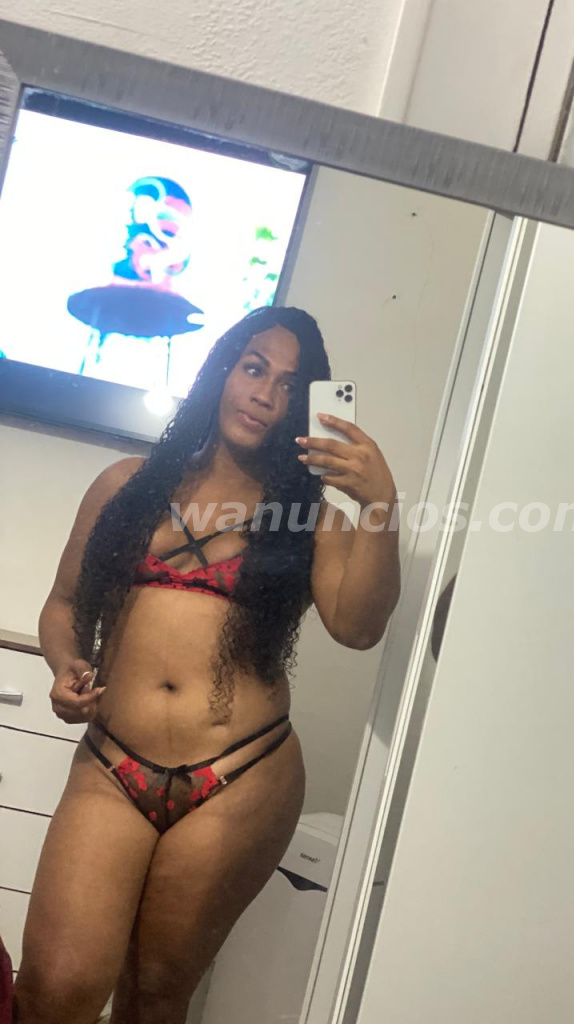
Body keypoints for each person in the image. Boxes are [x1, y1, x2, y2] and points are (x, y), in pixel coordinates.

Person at [14, 307, 401, 1024]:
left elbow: (358, 628)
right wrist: (65, 664)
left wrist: (379, 504)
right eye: (254, 368)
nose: (265, 394)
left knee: (156, 996)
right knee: (53, 989)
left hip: (241, 779)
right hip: (111, 766)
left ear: (303, 409)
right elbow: (64, 605)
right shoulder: (125, 486)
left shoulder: (314, 522)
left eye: (289, 386)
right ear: (222, 372)